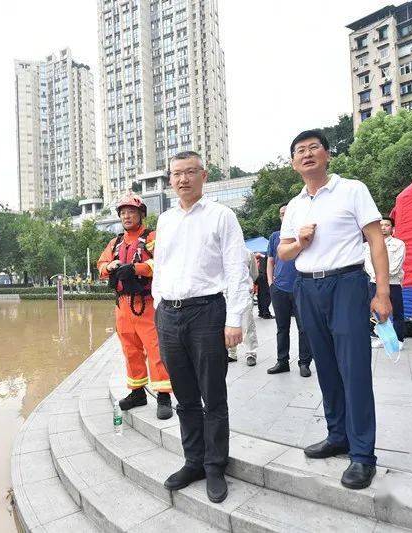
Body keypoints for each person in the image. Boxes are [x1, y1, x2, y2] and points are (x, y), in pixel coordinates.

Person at [278, 130, 391, 490]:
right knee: (325, 365)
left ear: (327, 154)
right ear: (294, 163)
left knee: (354, 368)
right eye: (300, 151)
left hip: (346, 284)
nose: (307, 154)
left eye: (314, 148)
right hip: (306, 287)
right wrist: (300, 241)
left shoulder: (352, 189)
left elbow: (376, 240)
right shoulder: (295, 205)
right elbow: (283, 253)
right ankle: (337, 435)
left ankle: (362, 455)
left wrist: (383, 292)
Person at [152, 150, 251, 503]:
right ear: (170, 179)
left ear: (203, 175)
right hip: (170, 315)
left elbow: (237, 269)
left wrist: (234, 318)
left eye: (190, 172)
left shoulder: (222, 216)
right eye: (176, 173)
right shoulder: (164, 220)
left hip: (207, 313)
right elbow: (159, 267)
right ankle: (193, 460)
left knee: (213, 395)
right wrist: (157, 307)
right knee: (185, 397)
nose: (183, 179)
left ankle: (214, 465)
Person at [97, 193, 173, 420]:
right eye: (123, 213)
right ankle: (137, 392)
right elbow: (100, 265)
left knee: (155, 349)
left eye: (131, 212)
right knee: (130, 350)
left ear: (141, 214)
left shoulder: (152, 237)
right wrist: (110, 266)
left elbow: (162, 261)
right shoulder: (115, 242)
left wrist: (136, 269)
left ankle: (164, 396)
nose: (126, 216)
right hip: (122, 305)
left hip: (146, 304)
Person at [267, 203, 313, 377]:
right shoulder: (274, 237)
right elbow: (270, 261)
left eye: (287, 213)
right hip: (279, 288)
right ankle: (282, 361)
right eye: (281, 214)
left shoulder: (304, 236)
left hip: (301, 287)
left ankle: (304, 362)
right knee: (282, 327)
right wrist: (271, 283)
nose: (284, 216)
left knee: (304, 327)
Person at [364, 216, 406, 350]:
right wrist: (376, 278)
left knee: (397, 312)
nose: (383, 227)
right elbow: (367, 265)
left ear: (392, 228)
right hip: (374, 282)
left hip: (392, 283)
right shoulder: (368, 245)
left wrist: (381, 277)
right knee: (376, 312)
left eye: (386, 225)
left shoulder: (398, 244)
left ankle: (399, 340)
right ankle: (379, 338)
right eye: (380, 225)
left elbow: (395, 267)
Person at [228, 247, 259, 366]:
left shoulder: (247, 253)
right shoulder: (224, 252)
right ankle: (231, 352)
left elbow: (254, 273)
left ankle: (251, 352)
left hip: (244, 291)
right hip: (228, 291)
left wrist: (249, 283)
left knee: (247, 323)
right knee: (229, 322)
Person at [255, 253, 273, 318]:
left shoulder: (262, 257)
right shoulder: (267, 257)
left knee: (261, 295)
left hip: (260, 275)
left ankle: (261, 312)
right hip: (264, 276)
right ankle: (266, 313)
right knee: (266, 295)